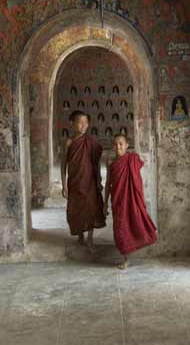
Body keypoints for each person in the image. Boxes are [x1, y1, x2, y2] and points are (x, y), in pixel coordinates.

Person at [104, 134, 157, 269]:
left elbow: (141, 163)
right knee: (121, 227)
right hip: (118, 199)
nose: (118, 147)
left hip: (131, 199)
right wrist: (105, 203)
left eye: (121, 144)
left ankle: (127, 259)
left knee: (132, 223)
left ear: (127, 145)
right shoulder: (110, 163)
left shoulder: (132, 159)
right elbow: (108, 183)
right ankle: (126, 256)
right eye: (115, 144)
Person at [61, 110, 106, 251]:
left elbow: (97, 163)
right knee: (76, 210)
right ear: (73, 124)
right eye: (80, 122)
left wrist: (99, 180)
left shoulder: (91, 142)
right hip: (75, 182)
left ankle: (90, 239)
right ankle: (80, 235)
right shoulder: (69, 142)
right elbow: (63, 164)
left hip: (90, 181)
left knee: (92, 208)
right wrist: (64, 186)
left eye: (86, 122)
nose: (83, 125)